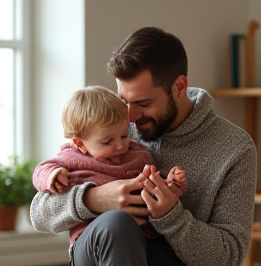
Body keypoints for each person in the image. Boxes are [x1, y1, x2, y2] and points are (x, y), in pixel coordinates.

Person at [30, 27, 257, 266]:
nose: (130, 117)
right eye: (123, 100)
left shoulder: (234, 148)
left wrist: (170, 215)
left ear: (179, 87)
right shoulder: (113, 128)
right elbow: (40, 214)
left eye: (144, 103)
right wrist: (93, 199)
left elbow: (228, 260)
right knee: (115, 224)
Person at [32, 85, 187, 242]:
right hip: (94, 238)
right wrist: (52, 174)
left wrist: (170, 183)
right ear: (80, 143)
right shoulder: (71, 156)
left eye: (124, 135)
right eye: (107, 142)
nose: (120, 146)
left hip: (142, 235)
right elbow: (41, 169)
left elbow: (153, 185)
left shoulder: (137, 155)